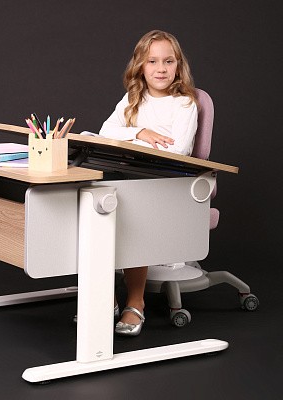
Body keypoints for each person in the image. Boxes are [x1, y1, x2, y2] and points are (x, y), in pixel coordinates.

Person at [99, 30, 198, 336]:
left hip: (167, 180)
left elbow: (179, 150)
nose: (161, 68)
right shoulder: (133, 99)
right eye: (152, 61)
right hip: (133, 173)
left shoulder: (185, 104)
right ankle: (104, 297)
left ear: (178, 66)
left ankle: (135, 301)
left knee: (132, 208)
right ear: (140, 66)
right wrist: (140, 133)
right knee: (93, 197)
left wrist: (131, 141)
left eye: (169, 61)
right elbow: (105, 132)